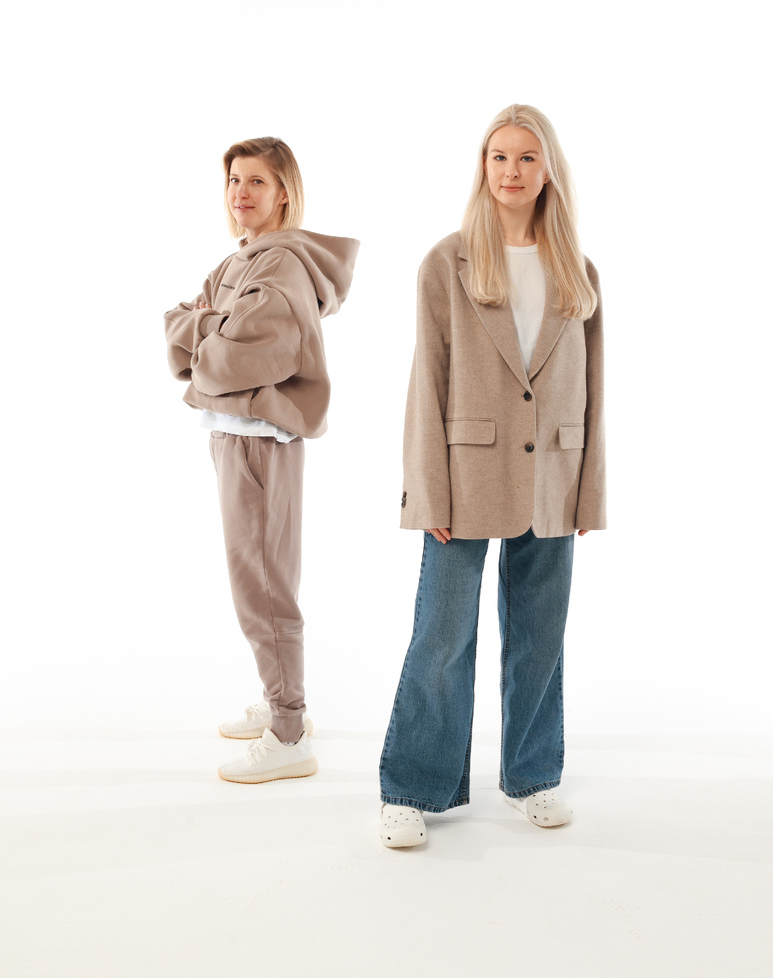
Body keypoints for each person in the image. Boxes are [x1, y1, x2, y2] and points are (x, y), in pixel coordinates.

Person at [379, 104, 605, 848]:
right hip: (465, 474)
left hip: (555, 476)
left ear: (549, 171)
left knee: (540, 638)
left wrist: (589, 491)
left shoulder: (578, 270)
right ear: (483, 166)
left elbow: (593, 388)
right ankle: (412, 788)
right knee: (442, 636)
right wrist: (426, 490)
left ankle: (533, 777)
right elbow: (427, 382)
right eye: (498, 157)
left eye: (526, 158)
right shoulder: (447, 261)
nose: (511, 171)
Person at [165, 136, 358, 784]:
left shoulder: (277, 267)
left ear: (283, 193)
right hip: (238, 435)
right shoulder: (240, 261)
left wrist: (204, 331)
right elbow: (179, 329)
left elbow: (228, 357)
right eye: (234, 180)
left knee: (263, 588)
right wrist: (210, 329)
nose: (241, 192)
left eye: (256, 181)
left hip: (256, 440)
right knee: (265, 580)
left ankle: (288, 731)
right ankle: (283, 703)